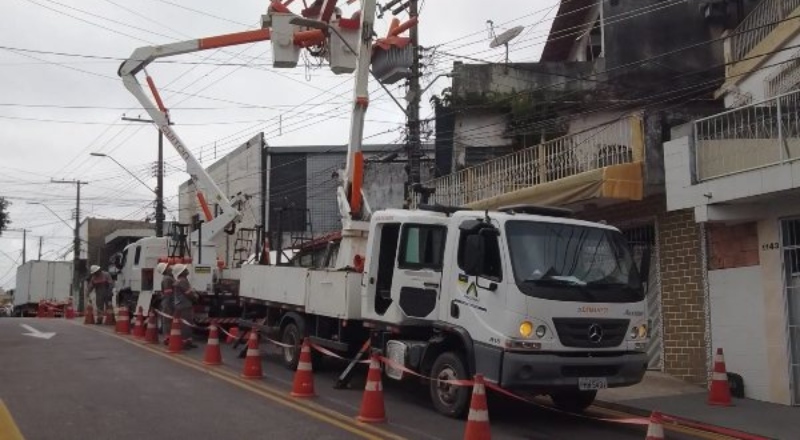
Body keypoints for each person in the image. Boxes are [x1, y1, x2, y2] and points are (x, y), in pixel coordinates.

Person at [171, 264, 198, 349]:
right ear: (181, 272)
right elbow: (188, 293)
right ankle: (184, 342)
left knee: (187, 324)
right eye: (185, 269)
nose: (187, 270)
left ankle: (188, 341)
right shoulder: (182, 281)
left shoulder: (181, 280)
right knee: (185, 324)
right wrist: (195, 298)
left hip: (182, 305)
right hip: (184, 305)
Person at [155, 262, 175, 340]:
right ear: (165, 270)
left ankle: (168, 336)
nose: (170, 268)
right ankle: (167, 337)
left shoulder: (169, 278)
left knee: (168, 319)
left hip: (168, 301)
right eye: (168, 267)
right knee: (167, 319)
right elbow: (168, 294)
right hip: (168, 302)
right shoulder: (167, 279)